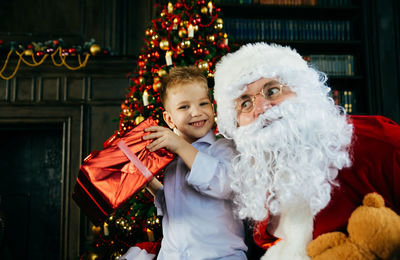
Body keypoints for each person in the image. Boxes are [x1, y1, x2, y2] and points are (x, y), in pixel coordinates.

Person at [213, 42, 400, 259]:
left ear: (303, 91)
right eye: (245, 103)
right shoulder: (258, 179)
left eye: (272, 91)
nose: (261, 108)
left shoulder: (378, 141)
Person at [142, 66, 247, 259]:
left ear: (212, 108)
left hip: (221, 256)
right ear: (169, 119)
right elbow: (175, 205)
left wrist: (180, 146)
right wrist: (148, 181)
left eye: (203, 104)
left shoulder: (225, 148)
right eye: (184, 106)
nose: (197, 112)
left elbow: (222, 184)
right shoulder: (173, 161)